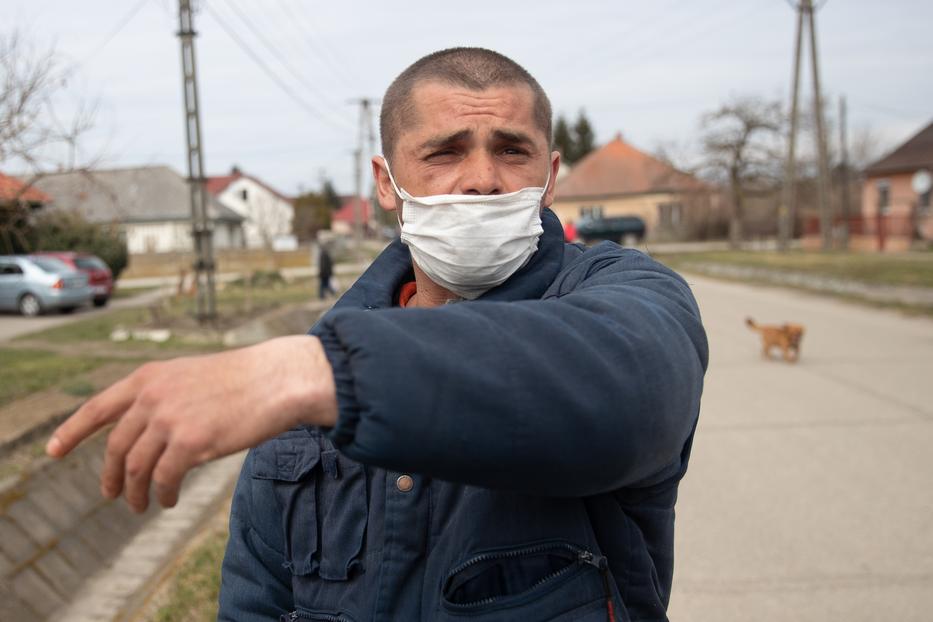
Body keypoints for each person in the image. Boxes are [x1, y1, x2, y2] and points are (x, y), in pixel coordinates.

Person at [45, 47, 707, 621]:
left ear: (550, 176)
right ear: (385, 183)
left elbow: (624, 395)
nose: (480, 178)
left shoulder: (622, 293)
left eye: (511, 151)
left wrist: (314, 373)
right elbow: (255, 597)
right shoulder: (303, 401)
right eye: (444, 153)